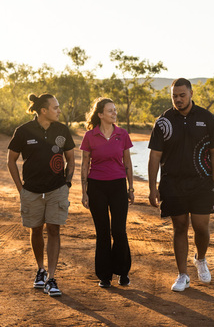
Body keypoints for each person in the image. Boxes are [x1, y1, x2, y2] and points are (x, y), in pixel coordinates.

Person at [148, 78, 214, 292]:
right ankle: (182, 274)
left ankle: (200, 258)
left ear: (191, 93)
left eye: (182, 95)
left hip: (202, 183)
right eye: (174, 96)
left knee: (201, 227)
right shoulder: (164, 121)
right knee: (179, 227)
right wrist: (153, 187)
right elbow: (155, 156)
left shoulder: (206, 118)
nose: (178, 99)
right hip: (172, 184)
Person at [7, 93, 75, 297]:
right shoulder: (23, 131)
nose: (59, 110)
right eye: (55, 107)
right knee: (36, 230)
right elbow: (11, 161)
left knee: (54, 229)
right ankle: (40, 269)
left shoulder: (62, 130)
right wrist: (21, 189)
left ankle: (52, 278)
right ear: (43, 110)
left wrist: (67, 183)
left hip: (57, 189)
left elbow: (71, 159)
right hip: (32, 190)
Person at [80, 97, 134, 288]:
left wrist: (131, 187)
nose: (114, 113)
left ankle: (123, 272)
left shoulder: (122, 134)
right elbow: (85, 164)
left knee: (119, 230)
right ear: (100, 114)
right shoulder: (89, 136)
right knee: (102, 232)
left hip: (118, 185)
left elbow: (127, 162)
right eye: (110, 110)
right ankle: (104, 275)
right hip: (96, 187)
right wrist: (84, 191)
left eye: (115, 110)